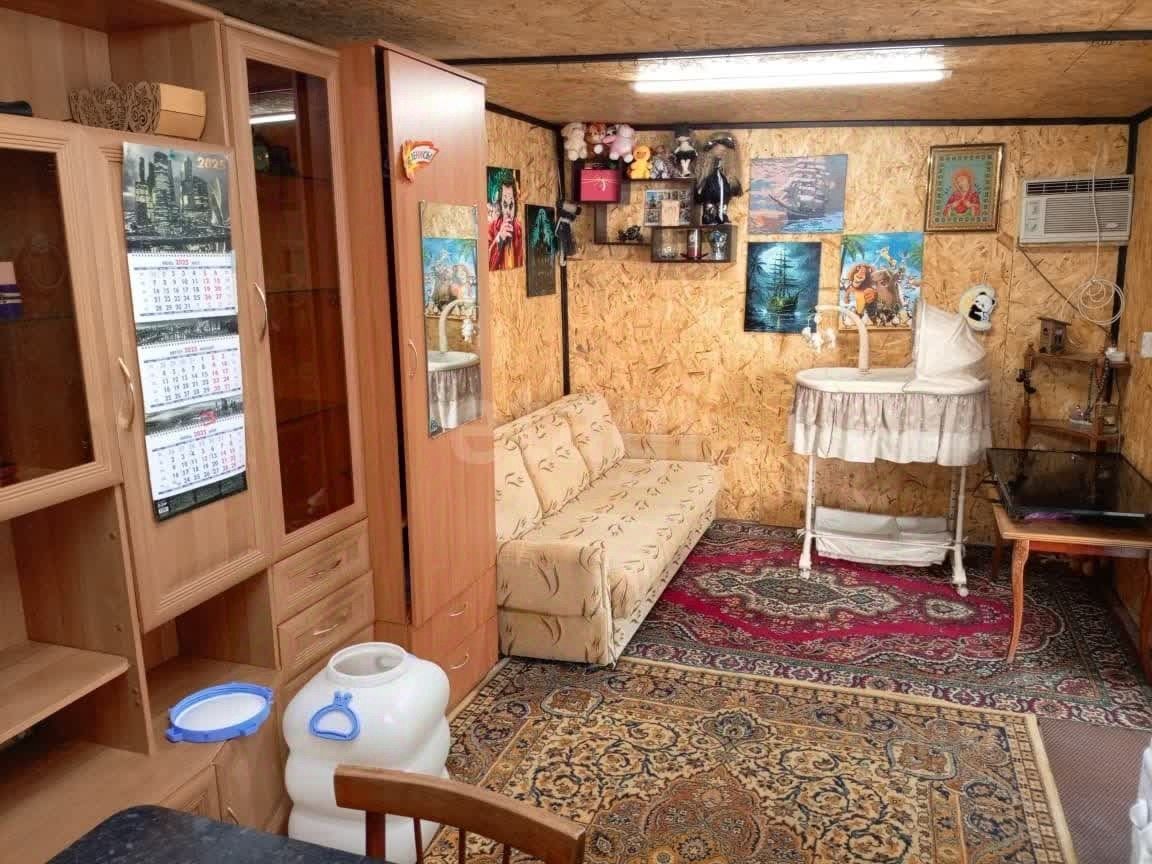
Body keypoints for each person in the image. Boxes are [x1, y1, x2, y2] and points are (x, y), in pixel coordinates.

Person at [488, 176, 523, 270]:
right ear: (500, 205)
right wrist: (499, 239)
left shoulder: (520, 230)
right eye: (505, 204)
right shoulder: (491, 229)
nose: (508, 211)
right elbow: (487, 265)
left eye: (511, 205)